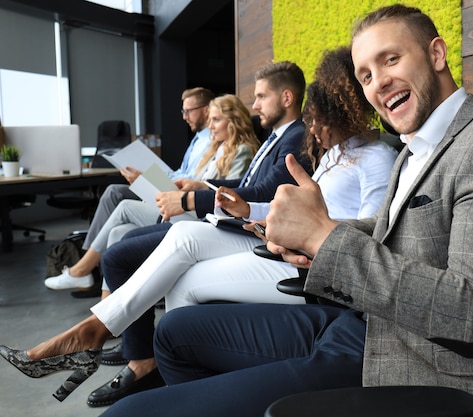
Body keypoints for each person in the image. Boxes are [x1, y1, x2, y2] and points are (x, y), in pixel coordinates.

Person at [97, 5, 473, 417]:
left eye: (390, 60)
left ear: (437, 54)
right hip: (362, 323)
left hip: (414, 363)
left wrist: (324, 238)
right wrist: (312, 236)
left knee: (124, 415)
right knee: (173, 332)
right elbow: (393, 231)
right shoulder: (416, 148)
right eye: (365, 75)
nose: (378, 83)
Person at [0, 60, 313, 403]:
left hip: (252, 232)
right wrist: (200, 186)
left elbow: (267, 192)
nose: (254, 105)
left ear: (286, 97)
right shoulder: (278, 137)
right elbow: (247, 186)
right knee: (123, 243)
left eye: (261, 97)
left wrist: (193, 197)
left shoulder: (297, 137)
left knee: (124, 250)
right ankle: (131, 352)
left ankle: (116, 345)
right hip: (231, 219)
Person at [43, 94, 259, 299]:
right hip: (186, 205)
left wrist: (196, 188)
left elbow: (230, 195)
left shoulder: (242, 151)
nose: (210, 126)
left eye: (216, 120)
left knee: (125, 205)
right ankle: (108, 307)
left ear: (234, 121)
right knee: (118, 232)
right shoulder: (216, 149)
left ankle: (82, 270)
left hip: (197, 215)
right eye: (210, 120)